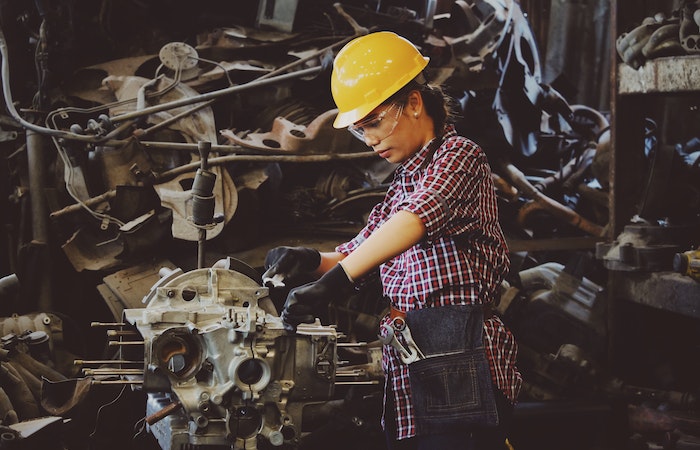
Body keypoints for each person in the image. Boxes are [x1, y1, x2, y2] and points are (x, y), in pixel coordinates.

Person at [262, 31, 522, 450]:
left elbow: (415, 220)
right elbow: (358, 251)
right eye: (361, 130)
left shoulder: (460, 156)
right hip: (411, 353)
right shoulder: (402, 183)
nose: (370, 140)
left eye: (375, 122)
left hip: (459, 353)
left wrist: (336, 282)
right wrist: (310, 260)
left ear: (414, 103)